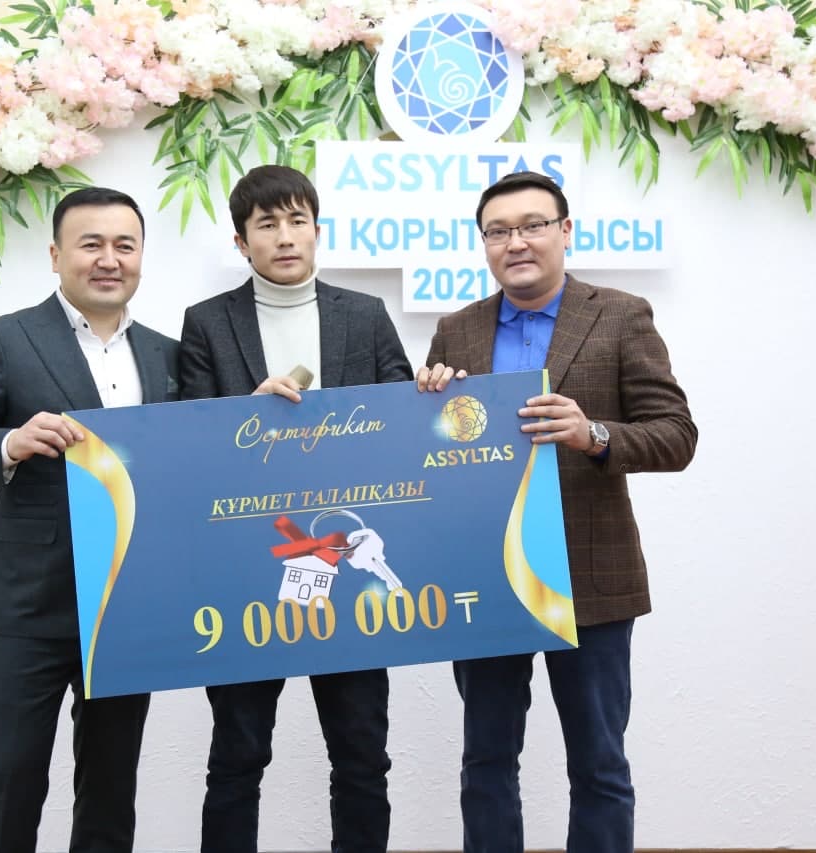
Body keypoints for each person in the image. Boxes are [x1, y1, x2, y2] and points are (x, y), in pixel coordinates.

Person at [417, 171, 698, 853]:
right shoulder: (456, 329)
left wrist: (592, 433)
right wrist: (425, 401)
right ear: (484, 243)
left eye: (533, 225)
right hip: (488, 576)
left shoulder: (621, 315)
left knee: (599, 763)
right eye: (498, 231)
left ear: (565, 232)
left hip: (591, 574)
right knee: (486, 759)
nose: (516, 242)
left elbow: (676, 436)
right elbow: (433, 454)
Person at [0, 186, 179, 853]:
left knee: (111, 787)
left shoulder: (168, 354)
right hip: (28, 603)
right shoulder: (6, 338)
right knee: (12, 781)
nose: (108, 259)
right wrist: (10, 441)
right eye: (91, 243)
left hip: (125, 601)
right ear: (57, 255)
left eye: (124, 245)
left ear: (141, 256)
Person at [179, 164, 413, 853]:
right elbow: (185, 442)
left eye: (296, 221)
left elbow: (400, 421)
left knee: (362, 752)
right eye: (266, 225)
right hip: (251, 566)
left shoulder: (364, 315)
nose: (284, 237)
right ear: (242, 241)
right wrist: (240, 418)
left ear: (316, 230)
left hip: (347, 554)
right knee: (238, 754)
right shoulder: (206, 323)